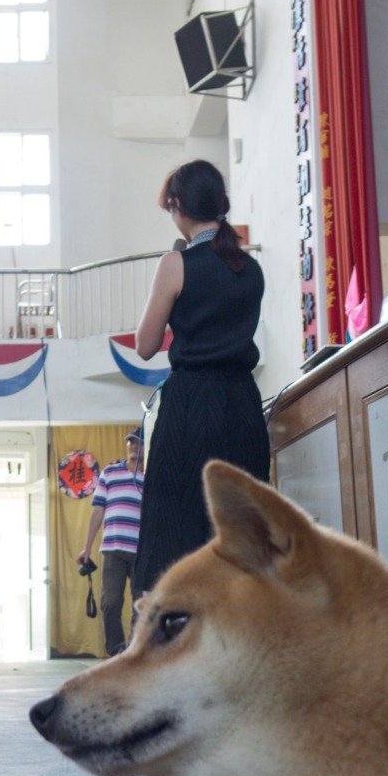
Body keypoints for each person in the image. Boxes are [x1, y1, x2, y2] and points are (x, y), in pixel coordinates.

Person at [132, 160, 269, 595]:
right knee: (241, 528)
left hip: (191, 406)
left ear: (177, 206)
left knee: (176, 527)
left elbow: (145, 344)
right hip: (243, 406)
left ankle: (176, 641)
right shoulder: (251, 270)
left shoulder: (176, 263)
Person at [78, 427, 145, 656]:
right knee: (110, 603)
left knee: (140, 605)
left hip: (142, 552)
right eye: (131, 442)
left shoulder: (152, 477)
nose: (134, 446)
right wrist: (87, 548)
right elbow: (97, 512)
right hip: (113, 549)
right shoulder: (109, 473)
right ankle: (116, 652)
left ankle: (135, 652)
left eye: (139, 443)